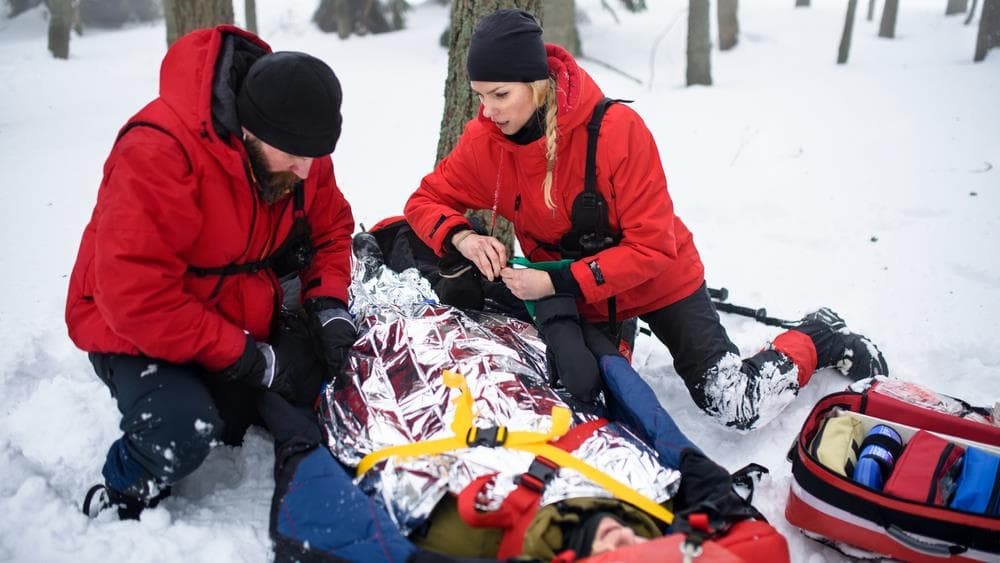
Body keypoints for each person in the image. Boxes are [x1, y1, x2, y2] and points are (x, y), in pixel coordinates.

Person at [404, 8, 889, 431]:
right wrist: (463, 236)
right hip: (584, 297)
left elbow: (654, 248)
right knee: (603, 403)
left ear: (535, 84)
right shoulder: (485, 141)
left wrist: (559, 285)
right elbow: (424, 201)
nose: (487, 111)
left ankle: (817, 337)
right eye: (479, 96)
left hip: (659, 280)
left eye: (500, 95)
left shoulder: (617, 133)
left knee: (734, 403)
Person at [65, 25, 359, 521]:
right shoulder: (158, 153)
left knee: (316, 383)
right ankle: (125, 486)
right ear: (248, 130)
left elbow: (331, 231)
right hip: (131, 327)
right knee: (183, 429)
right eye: (294, 157)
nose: (306, 172)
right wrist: (244, 356)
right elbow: (136, 297)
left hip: (232, 310)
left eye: (315, 157)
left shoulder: (297, 150)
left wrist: (327, 301)